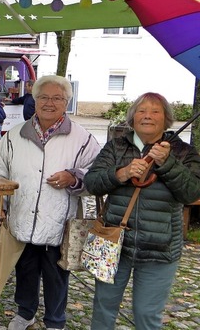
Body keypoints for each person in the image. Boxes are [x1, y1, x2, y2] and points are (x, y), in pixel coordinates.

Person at [0, 75, 101, 330]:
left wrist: (73, 177)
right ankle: (25, 313)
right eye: (44, 97)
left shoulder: (82, 138)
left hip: (59, 222)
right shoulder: (14, 136)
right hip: (22, 218)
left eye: (57, 98)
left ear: (66, 102)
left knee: (56, 276)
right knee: (25, 271)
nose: (50, 103)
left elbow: (97, 173)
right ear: (35, 100)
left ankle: (55, 321)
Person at [83, 92, 200, 330]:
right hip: (115, 245)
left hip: (160, 249)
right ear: (132, 117)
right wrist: (121, 174)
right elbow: (92, 183)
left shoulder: (183, 152)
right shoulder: (116, 146)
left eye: (155, 111)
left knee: (147, 315)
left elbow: (192, 193)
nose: (147, 116)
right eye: (141, 110)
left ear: (166, 119)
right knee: (104, 309)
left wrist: (167, 163)